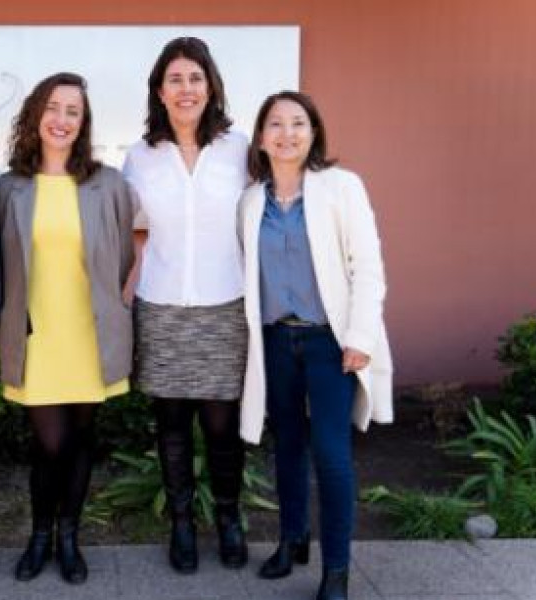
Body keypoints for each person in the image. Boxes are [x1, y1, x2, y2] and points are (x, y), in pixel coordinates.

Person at [237, 91, 393, 600]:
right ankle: (292, 540)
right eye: (275, 125)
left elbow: (367, 268)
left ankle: (338, 570)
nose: (287, 133)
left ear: (313, 131)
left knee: (331, 454)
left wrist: (361, 338)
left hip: (332, 343)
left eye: (298, 123)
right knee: (286, 450)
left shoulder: (341, 188)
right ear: (261, 138)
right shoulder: (251, 201)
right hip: (276, 341)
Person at [0, 72, 136, 585]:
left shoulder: (108, 183)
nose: (61, 120)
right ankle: (39, 538)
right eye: (53, 108)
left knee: (80, 439)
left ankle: (70, 540)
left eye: (73, 111)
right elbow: (0, 269)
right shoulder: (9, 187)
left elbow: (122, 256)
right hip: (37, 337)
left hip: (89, 333)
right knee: (48, 444)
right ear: (36, 115)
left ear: (83, 122)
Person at [123, 37, 249, 574]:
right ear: (159, 90)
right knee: (171, 423)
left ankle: (227, 517)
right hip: (163, 306)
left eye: (195, 78)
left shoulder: (240, 147)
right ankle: (180, 523)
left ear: (211, 86)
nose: (186, 89)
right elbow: (115, 220)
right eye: (175, 79)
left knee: (222, 426)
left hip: (225, 305)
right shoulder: (140, 154)